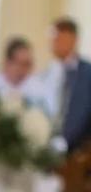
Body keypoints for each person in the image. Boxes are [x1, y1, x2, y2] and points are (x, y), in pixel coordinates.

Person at [31, 18, 91, 150]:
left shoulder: (87, 73)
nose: (53, 44)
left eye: (58, 39)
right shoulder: (47, 73)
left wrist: (65, 141)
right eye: (52, 39)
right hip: (47, 145)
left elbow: (83, 111)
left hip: (78, 150)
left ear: (73, 40)